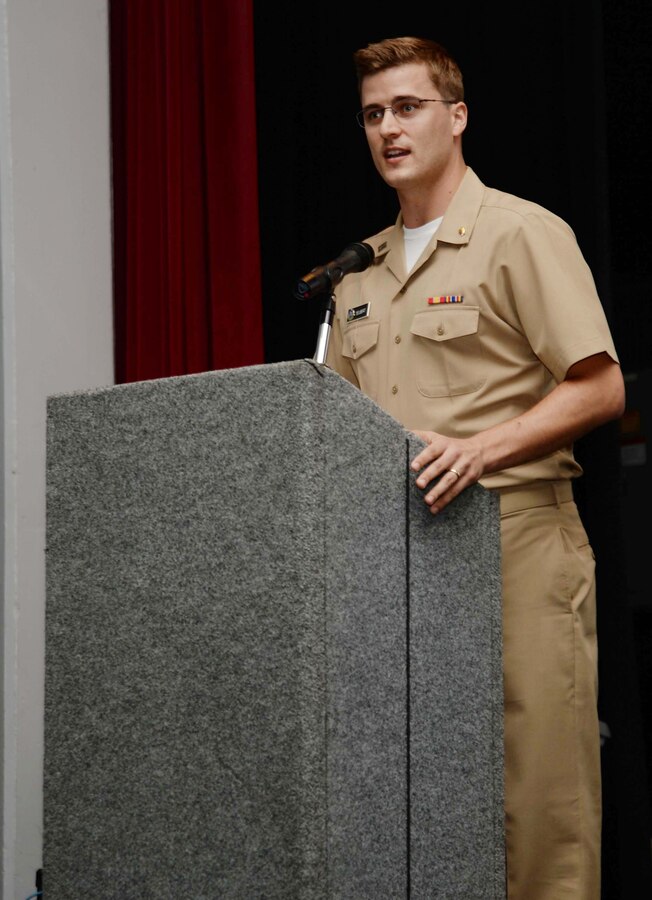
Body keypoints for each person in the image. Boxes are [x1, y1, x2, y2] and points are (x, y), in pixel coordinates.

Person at [325, 36, 625, 900]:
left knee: (539, 797)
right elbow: (338, 434)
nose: (388, 128)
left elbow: (599, 387)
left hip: (515, 538)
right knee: (416, 798)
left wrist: (482, 447)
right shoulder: (359, 277)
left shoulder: (520, 233)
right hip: (400, 563)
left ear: (457, 118)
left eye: (408, 107)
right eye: (374, 113)